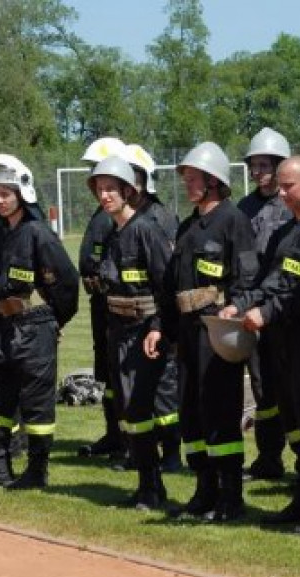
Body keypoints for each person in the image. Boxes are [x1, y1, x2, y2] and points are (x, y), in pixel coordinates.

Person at [225, 156, 300, 535]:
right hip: (283, 339)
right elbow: (271, 280)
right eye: (278, 186)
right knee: (294, 422)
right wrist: (244, 304)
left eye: (288, 186)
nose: (280, 193)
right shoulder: (287, 231)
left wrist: (270, 311)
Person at [146, 141, 257, 522]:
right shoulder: (189, 225)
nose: (187, 185)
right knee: (190, 411)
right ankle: (203, 489)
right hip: (187, 334)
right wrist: (162, 328)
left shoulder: (234, 222)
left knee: (220, 411)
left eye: (193, 178)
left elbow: (247, 278)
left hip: (216, 331)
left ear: (213, 181)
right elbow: (170, 285)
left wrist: (237, 307)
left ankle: (230, 497)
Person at [0, 158, 79, 490]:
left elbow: (67, 284)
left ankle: (36, 470)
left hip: (36, 324)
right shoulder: (0, 234)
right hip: (6, 325)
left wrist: (54, 321)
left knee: (36, 402)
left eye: (6, 194)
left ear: (22, 195)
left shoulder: (38, 233)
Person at [89, 155, 174, 508]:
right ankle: (145, 483)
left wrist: (158, 328)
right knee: (128, 410)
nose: (105, 196)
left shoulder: (145, 230)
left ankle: (153, 486)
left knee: (140, 407)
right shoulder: (112, 233)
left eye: (111, 189)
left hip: (145, 333)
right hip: (119, 332)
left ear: (129, 191)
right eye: (99, 189)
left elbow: (166, 285)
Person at [237, 127, 293, 482]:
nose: (257, 173)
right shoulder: (245, 207)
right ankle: (268, 457)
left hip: (286, 309)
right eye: (253, 166)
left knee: (293, 386)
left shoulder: (293, 206)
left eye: (263, 166)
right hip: (253, 309)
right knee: (262, 387)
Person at [124, 142, 182, 473]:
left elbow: (167, 277)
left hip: (157, 317)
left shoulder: (160, 218)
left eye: (132, 178)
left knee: (164, 387)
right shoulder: (120, 220)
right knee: (135, 390)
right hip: (127, 321)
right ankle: (140, 452)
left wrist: (162, 322)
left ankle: (172, 451)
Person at [77, 136, 129, 461]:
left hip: (114, 305)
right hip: (100, 305)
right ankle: (113, 434)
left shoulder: (119, 215)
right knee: (106, 375)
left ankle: (126, 439)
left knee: (120, 374)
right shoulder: (102, 211)